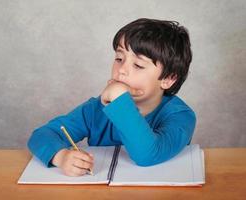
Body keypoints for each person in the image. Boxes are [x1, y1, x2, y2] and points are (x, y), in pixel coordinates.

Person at [27, 18, 196, 177]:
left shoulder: (181, 116)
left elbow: (147, 156)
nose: (121, 70)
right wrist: (61, 156)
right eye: (119, 58)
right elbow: (42, 135)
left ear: (168, 79)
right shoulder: (94, 109)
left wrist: (120, 100)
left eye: (138, 65)